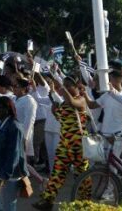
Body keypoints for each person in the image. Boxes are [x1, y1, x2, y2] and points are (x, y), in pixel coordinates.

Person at [33, 76, 90, 210]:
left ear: (77, 86)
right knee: (57, 173)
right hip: (65, 143)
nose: (65, 88)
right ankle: (47, 200)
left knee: (82, 175)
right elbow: (63, 119)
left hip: (78, 144)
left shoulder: (81, 100)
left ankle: (85, 204)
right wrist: (54, 110)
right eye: (65, 85)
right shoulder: (64, 103)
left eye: (69, 85)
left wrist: (59, 86)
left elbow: (72, 102)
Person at [13, 77, 38, 162]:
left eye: (17, 86)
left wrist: (24, 138)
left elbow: (29, 121)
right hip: (13, 133)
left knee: (22, 162)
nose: (14, 88)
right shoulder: (13, 98)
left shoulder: (29, 101)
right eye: (14, 86)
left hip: (22, 135)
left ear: (24, 88)